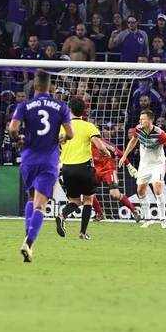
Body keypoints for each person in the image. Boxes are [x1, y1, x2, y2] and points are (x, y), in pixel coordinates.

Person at [8, 71, 74, 263]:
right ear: (50, 87)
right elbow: (71, 133)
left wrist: (18, 139)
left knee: (31, 198)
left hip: (28, 159)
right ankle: (29, 242)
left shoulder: (24, 105)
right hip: (49, 160)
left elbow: (12, 129)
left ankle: (28, 238)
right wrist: (63, 137)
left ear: (34, 87)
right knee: (41, 205)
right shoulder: (60, 106)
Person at [118, 110, 166, 229]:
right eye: (140, 119)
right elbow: (133, 141)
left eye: (143, 119)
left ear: (150, 120)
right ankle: (148, 219)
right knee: (140, 191)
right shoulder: (138, 129)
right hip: (144, 164)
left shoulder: (160, 134)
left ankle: (163, 219)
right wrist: (124, 156)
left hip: (157, 164)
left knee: (157, 189)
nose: (140, 121)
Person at [56, 97, 111, 241]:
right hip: (84, 167)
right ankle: (82, 233)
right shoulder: (89, 126)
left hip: (67, 168)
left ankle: (62, 216)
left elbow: (58, 143)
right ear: (84, 111)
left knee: (74, 201)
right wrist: (106, 152)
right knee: (88, 200)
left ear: (70, 111)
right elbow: (99, 145)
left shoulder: (63, 127)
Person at [91, 137, 140, 222]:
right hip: (96, 170)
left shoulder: (104, 143)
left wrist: (129, 166)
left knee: (115, 195)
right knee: (88, 192)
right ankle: (100, 213)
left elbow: (121, 154)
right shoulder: (84, 144)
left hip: (109, 169)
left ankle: (134, 211)